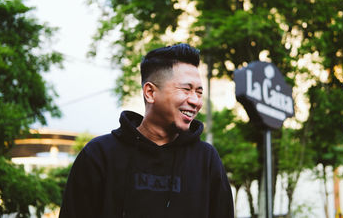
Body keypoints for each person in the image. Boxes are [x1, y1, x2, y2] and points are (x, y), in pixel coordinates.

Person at [59, 44, 234, 218]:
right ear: (150, 92)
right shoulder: (99, 155)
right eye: (186, 89)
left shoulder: (206, 159)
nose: (195, 101)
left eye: (199, 92)